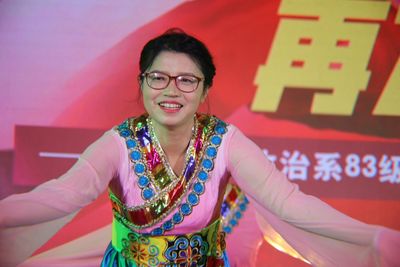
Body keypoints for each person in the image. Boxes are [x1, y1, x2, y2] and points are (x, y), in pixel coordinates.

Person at [0, 28, 399, 267]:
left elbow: (287, 202)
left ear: (205, 89)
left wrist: (371, 238)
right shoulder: (118, 143)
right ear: (141, 83)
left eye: (187, 80)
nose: (171, 90)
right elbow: (62, 196)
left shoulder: (226, 140)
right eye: (158, 78)